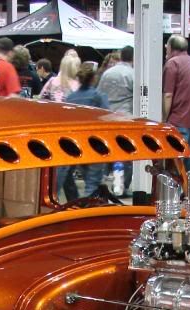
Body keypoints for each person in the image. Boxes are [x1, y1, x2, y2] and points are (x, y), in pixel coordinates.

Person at [59, 64, 110, 200]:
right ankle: (88, 210)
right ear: (93, 79)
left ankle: (74, 203)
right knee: (92, 183)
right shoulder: (99, 96)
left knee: (68, 177)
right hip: (96, 145)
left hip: (75, 145)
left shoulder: (70, 98)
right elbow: (108, 119)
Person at [162, 34, 190, 175]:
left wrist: (165, 119)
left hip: (179, 120)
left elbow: (168, 94)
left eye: (167, 47)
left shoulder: (172, 63)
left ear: (171, 48)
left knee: (175, 165)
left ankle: (175, 196)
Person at [98, 45, 134, 193]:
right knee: (127, 153)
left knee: (108, 151)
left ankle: (106, 181)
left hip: (107, 118)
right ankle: (123, 186)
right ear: (133, 58)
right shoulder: (133, 74)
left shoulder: (107, 73)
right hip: (126, 119)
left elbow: (99, 94)